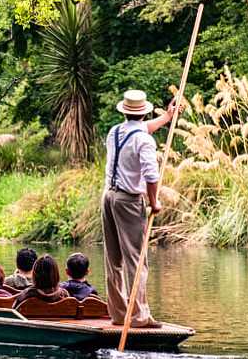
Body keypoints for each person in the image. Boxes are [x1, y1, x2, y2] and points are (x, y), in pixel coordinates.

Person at [102, 89, 179, 327]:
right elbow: (151, 176)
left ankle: (119, 314)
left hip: (108, 197)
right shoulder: (144, 140)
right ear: (144, 113)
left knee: (113, 259)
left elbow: (142, 129)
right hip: (128, 201)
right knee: (136, 260)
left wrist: (167, 117)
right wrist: (154, 202)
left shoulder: (115, 131)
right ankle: (139, 317)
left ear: (125, 112)